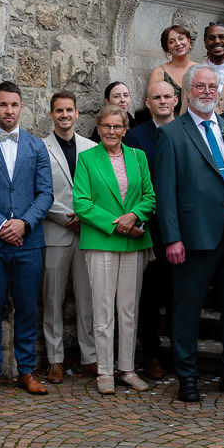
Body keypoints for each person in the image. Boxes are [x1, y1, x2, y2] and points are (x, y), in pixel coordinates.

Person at [154, 64, 224, 403]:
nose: (207, 92)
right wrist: (172, 237)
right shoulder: (172, 133)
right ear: (187, 92)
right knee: (187, 309)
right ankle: (187, 377)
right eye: (200, 86)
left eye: (212, 86)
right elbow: (165, 192)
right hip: (194, 235)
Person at [0, 81, 55, 398]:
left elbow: (45, 194)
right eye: (3, 105)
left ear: (21, 107)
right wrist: (1, 224)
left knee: (27, 308)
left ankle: (26, 370)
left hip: (28, 243)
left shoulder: (36, 146)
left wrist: (24, 224)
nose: (8, 110)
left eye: (14, 105)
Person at [73, 105, 157, 395]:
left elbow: (149, 197)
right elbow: (82, 203)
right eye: (106, 126)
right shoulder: (87, 159)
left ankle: (128, 369)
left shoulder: (138, 157)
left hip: (134, 242)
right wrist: (118, 225)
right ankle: (105, 372)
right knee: (103, 309)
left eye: (117, 126)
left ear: (125, 129)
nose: (111, 131)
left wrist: (133, 216)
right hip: (101, 241)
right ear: (98, 128)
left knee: (129, 310)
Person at [40, 91, 98, 384]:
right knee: (53, 298)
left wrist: (85, 217)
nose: (64, 115)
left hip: (87, 232)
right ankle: (55, 360)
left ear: (77, 113)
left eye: (69, 110)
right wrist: (66, 217)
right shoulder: (41, 148)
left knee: (87, 298)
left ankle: (90, 357)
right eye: (59, 110)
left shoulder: (91, 147)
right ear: (51, 114)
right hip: (55, 232)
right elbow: (40, 191)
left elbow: (99, 189)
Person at [124, 80, 178, 380]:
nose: (162, 101)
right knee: (149, 295)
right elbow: (132, 182)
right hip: (149, 225)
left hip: (181, 225)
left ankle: (179, 352)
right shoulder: (135, 137)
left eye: (167, 96)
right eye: (156, 97)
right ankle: (152, 354)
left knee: (179, 292)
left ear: (176, 100)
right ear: (148, 103)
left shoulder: (186, 130)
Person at [148, 24, 196, 113]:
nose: (178, 43)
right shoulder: (159, 73)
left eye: (181, 39)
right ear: (167, 48)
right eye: (171, 41)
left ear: (189, 41)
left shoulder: (200, 69)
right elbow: (152, 106)